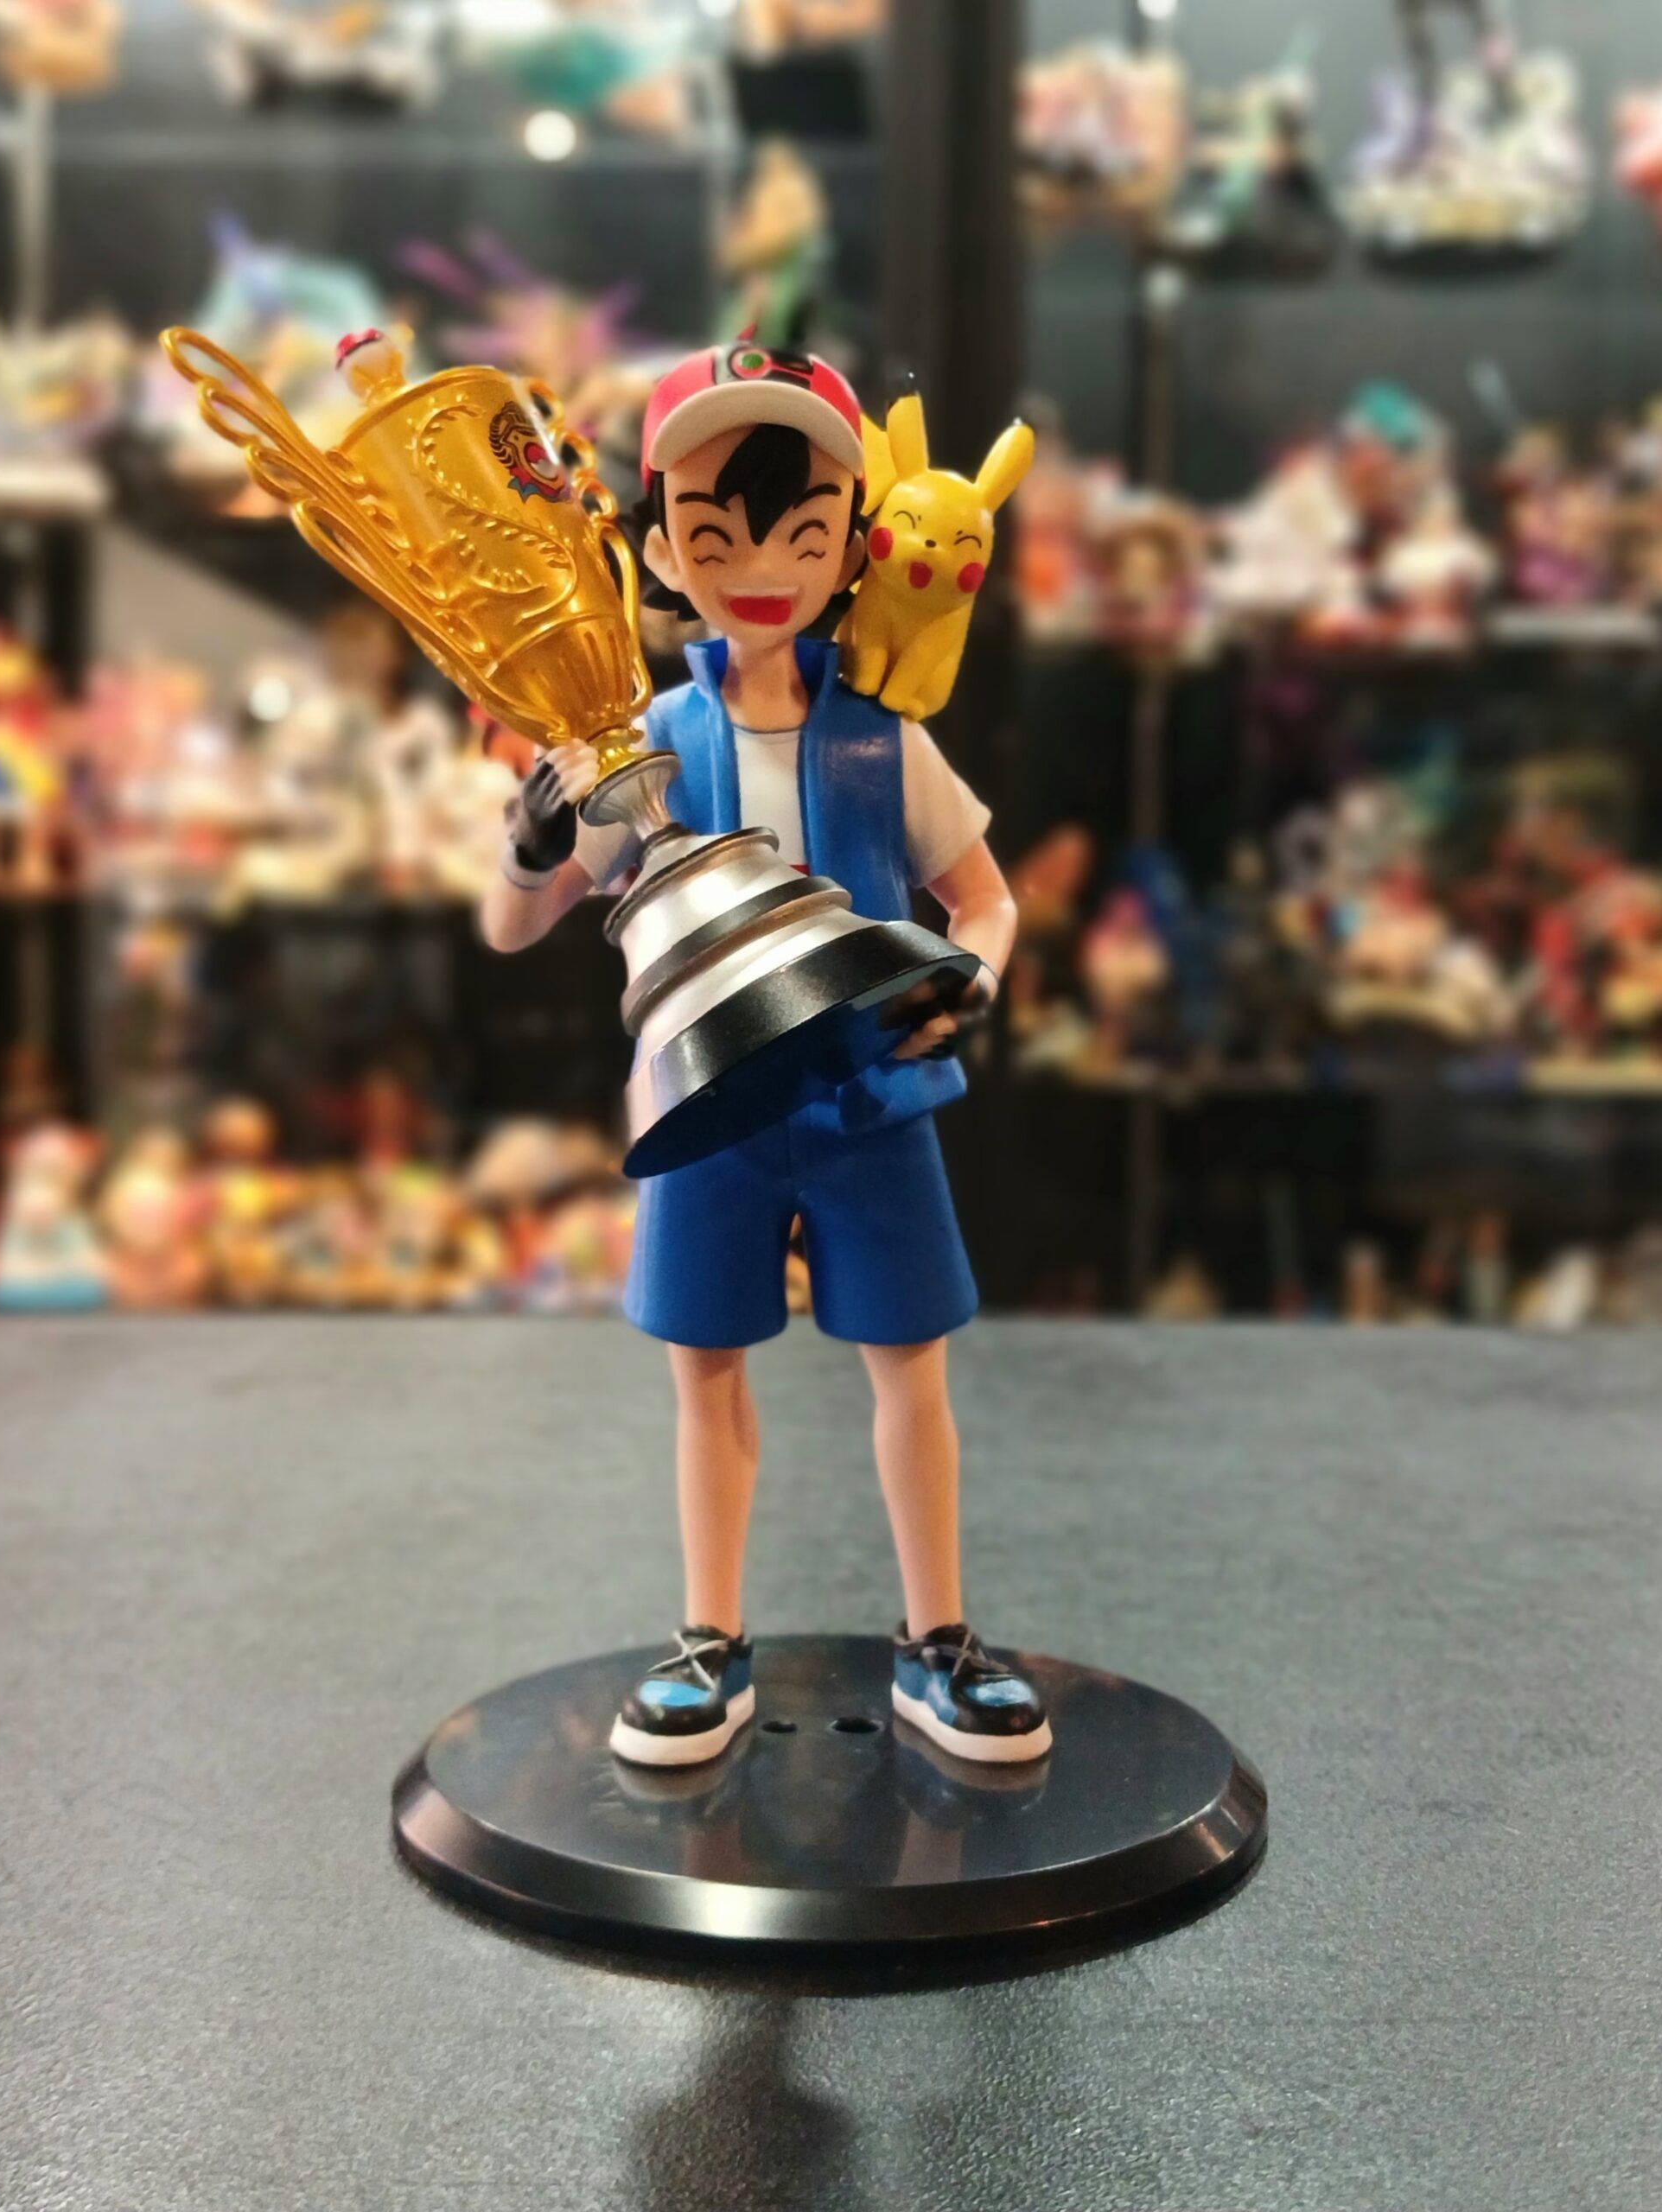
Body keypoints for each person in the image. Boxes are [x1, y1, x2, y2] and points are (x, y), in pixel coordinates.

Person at [479, 339, 1048, 1769]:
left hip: (872, 1092)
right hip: (705, 1106)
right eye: (717, 534)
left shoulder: (884, 743)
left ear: (852, 549)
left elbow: (983, 896)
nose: (759, 568)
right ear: (661, 549)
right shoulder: (643, 745)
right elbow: (513, 925)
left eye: (800, 535)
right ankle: (707, 1640)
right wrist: (533, 841)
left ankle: (937, 1639)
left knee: (911, 1368)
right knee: (704, 1373)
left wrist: (969, 980)